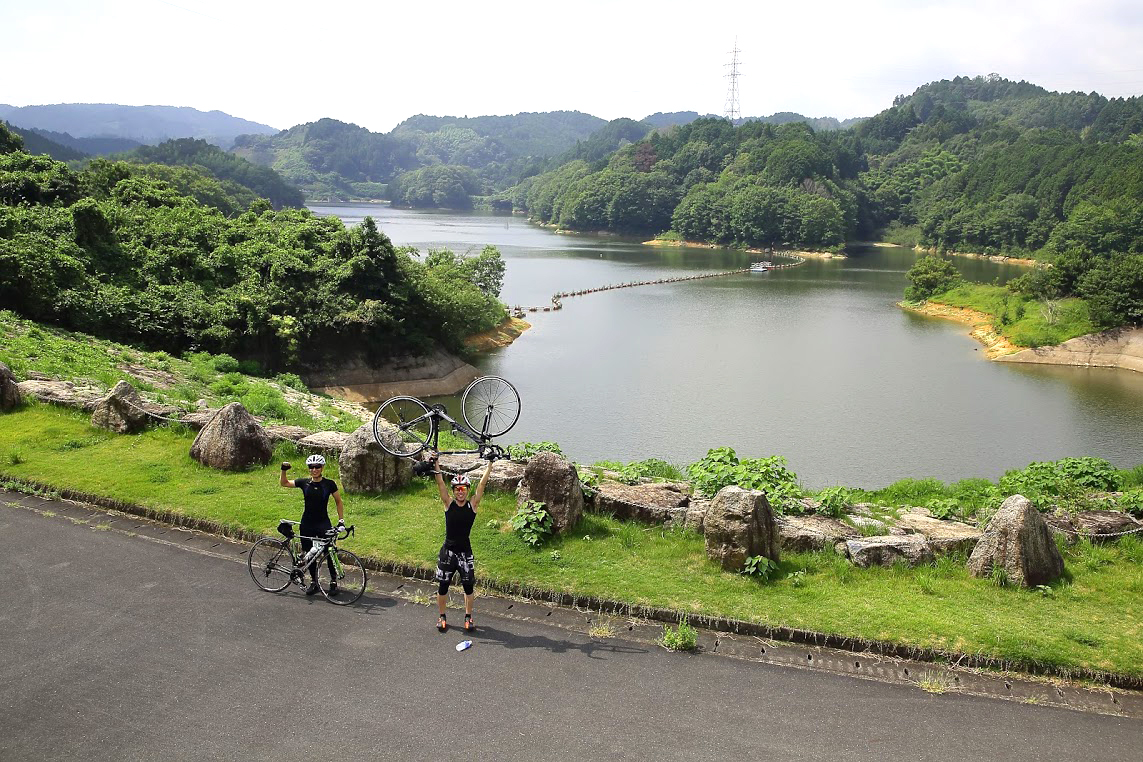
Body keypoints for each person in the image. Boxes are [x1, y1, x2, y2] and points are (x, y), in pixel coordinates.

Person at [430, 452, 493, 632]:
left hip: (465, 553)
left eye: (463, 489)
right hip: (448, 552)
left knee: (468, 586)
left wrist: (489, 466)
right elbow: (440, 483)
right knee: (443, 586)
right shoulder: (448, 504)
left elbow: (482, 486)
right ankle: (442, 616)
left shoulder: (472, 505)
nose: (460, 492)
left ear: (467, 490)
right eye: (457, 489)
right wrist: (436, 464)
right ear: (453, 491)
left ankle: (468, 617)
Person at [280, 453, 345, 595]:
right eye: (311, 467)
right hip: (307, 524)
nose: (314, 469)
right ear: (309, 469)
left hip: (323, 523)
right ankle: (314, 582)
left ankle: (333, 581)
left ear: (322, 468)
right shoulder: (304, 483)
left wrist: (341, 521)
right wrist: (283, 470)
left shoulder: (329, 484)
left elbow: (339, 501)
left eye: (317, 467)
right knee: (309, 554)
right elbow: (284, 483)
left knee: (329, 552)